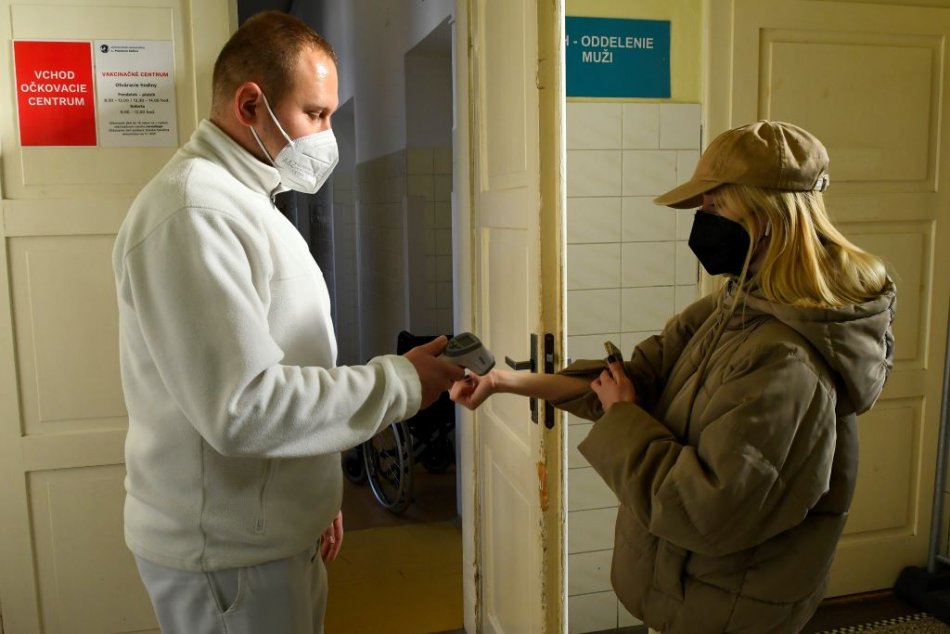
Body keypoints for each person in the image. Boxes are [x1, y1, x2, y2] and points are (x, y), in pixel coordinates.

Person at [451, 121, 896, 633]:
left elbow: (708, 510)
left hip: (728, 610)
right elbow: (630, 381)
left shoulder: (787, 361)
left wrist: (623, 414)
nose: (702, 221)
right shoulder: (733, 304)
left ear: (769, 219)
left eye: (715, 206)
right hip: (690, 594)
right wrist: (503, 382)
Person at [112, 11, 464, 634]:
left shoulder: (250, 201)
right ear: (250, 104)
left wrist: (313, 496)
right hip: (227, 558)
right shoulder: (193, 212)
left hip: (270, 534)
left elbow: (286, 366)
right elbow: (244, 407)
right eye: (316, 114)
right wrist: (403, 383)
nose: (327, 135)